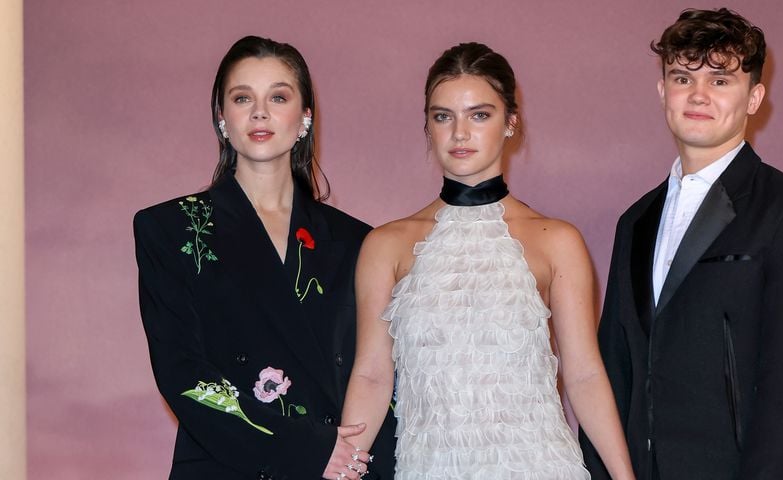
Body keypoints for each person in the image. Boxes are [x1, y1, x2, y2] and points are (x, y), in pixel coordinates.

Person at [340, 42, 635, 479]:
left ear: (510, 122)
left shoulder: (558, 241)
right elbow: (371, 376)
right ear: (428, 126)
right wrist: (344, 469)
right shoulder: (386, 245)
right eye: (443, 117)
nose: (460, 134)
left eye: (479, 115)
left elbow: (585, 375)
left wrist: (623, 477)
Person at [579, 8, 783, 480]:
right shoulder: (635, 221)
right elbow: (615, 368)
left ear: (754, 97)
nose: (698, 95)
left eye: (720, 80)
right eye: (683, 77)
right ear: (663, 91)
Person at [134, 36, 395, 480]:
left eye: (278, 96)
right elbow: (183, 373)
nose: (260, 112)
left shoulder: (359, 241)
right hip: (228, 466)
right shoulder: (170, 228)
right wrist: (307, 450)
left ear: (304, 117)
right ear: (222, 117)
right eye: (242, 98)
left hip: (346, 469)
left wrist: (347, 456)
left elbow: (377, 375)